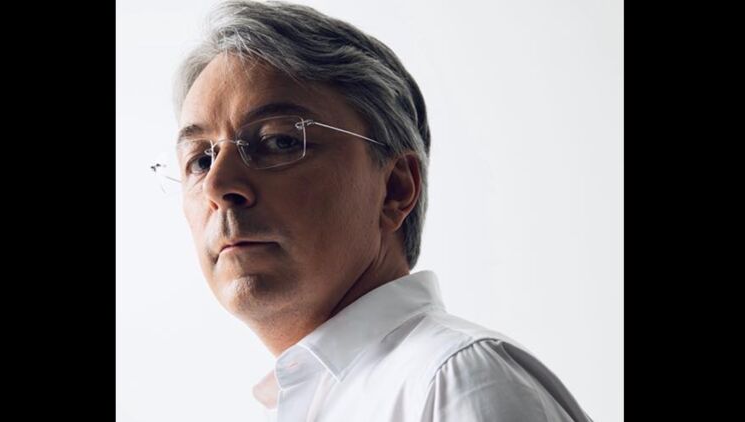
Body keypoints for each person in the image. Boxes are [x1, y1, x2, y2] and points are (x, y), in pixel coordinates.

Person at [164, 1, 594, 420]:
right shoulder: (298, 401)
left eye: (280, 141)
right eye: (201, 160)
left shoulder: (457, 381)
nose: (217, 186)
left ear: (395, 189)